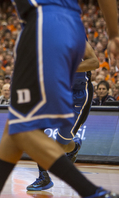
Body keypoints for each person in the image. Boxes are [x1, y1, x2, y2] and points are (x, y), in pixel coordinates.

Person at [0, 0, 119, 197]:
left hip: (42, 25)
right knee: (16, 123)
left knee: (24, 128)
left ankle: (94, 192)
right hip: (74, 30)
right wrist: (113, 35)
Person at [26, 41, 99, 191]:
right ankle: (43, 177)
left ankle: (73, 146)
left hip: (77, 96)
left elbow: (94, 62)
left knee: (61, 145)